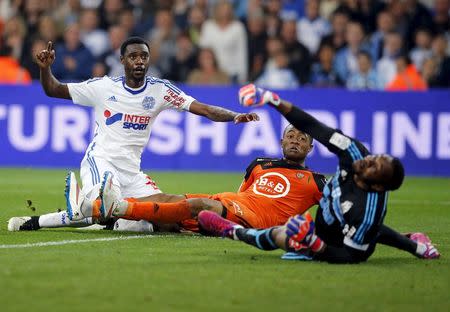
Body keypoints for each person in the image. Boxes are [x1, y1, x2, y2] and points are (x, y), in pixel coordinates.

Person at [7, 37, 258, 232]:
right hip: (102, 161)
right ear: (122, 60)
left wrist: (234, 115)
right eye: (133, 56)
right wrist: (45, 70)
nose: (139, 61)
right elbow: (54, 90)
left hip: (132, 172)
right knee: (106, 207)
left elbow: (202, 108)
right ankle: (88, 208)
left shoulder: (160, 90)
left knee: (167, 212)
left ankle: (74, 212)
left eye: (144, 56)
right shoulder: (103, 87)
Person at [197, 83, 440, 263]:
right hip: (326, 223)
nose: (368, 162)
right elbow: (314, 126)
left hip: (337, 243)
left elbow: (350, 256)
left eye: (374, 168)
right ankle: (416, 245)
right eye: (375, 158)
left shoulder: (366, 212)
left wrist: (314, 246)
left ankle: (233, 232)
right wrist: (271, 99)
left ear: (377, 186)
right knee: (306, 231)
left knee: (286, 236)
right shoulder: (354, 152)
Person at [96, 124, 326, 232]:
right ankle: (93, 210)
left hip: (258, 219)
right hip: (235, 204)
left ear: (310, 148)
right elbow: (243, 193)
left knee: (200, 205)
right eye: (291, 136)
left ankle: (120, 209)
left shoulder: (315, 181)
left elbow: (336, 210)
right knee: (167, 198)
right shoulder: (260, 164)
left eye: (302, 138)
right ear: (281, 142)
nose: (296, 140)